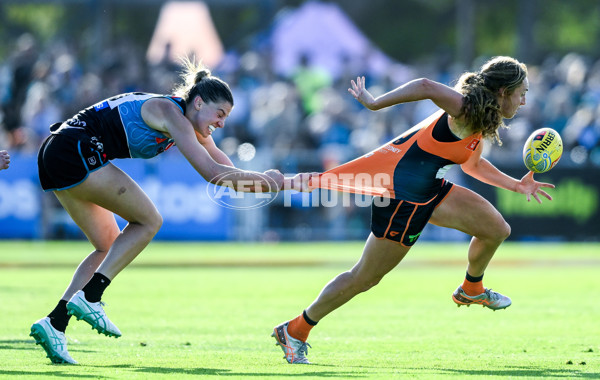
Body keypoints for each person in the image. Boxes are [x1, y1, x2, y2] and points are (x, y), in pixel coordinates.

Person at [272, 56, 555, 364]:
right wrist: (374, 103)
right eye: (522, 92)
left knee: (496, 229)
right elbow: (425, 85)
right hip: (403, 198)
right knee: (364, 278)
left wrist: (517, 185)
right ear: (503, 91)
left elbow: (473, 165)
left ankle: (471, 288)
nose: (525, 101)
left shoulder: (481, 117)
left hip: (429, 190)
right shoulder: (463, 107)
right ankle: (296, 329)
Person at [29, 57, 312, 365]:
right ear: (199, 102)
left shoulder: (189, 123)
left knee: (109, 246)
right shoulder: (171, 112)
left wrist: (281, 182)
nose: (222, 123)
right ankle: (91, 296)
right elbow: (213, 173)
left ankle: (56, 323)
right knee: (149, 221)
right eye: (220, 114)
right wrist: (278, 182)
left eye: (226, 117)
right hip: (74, 149)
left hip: (57, 151)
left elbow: (227, 171)